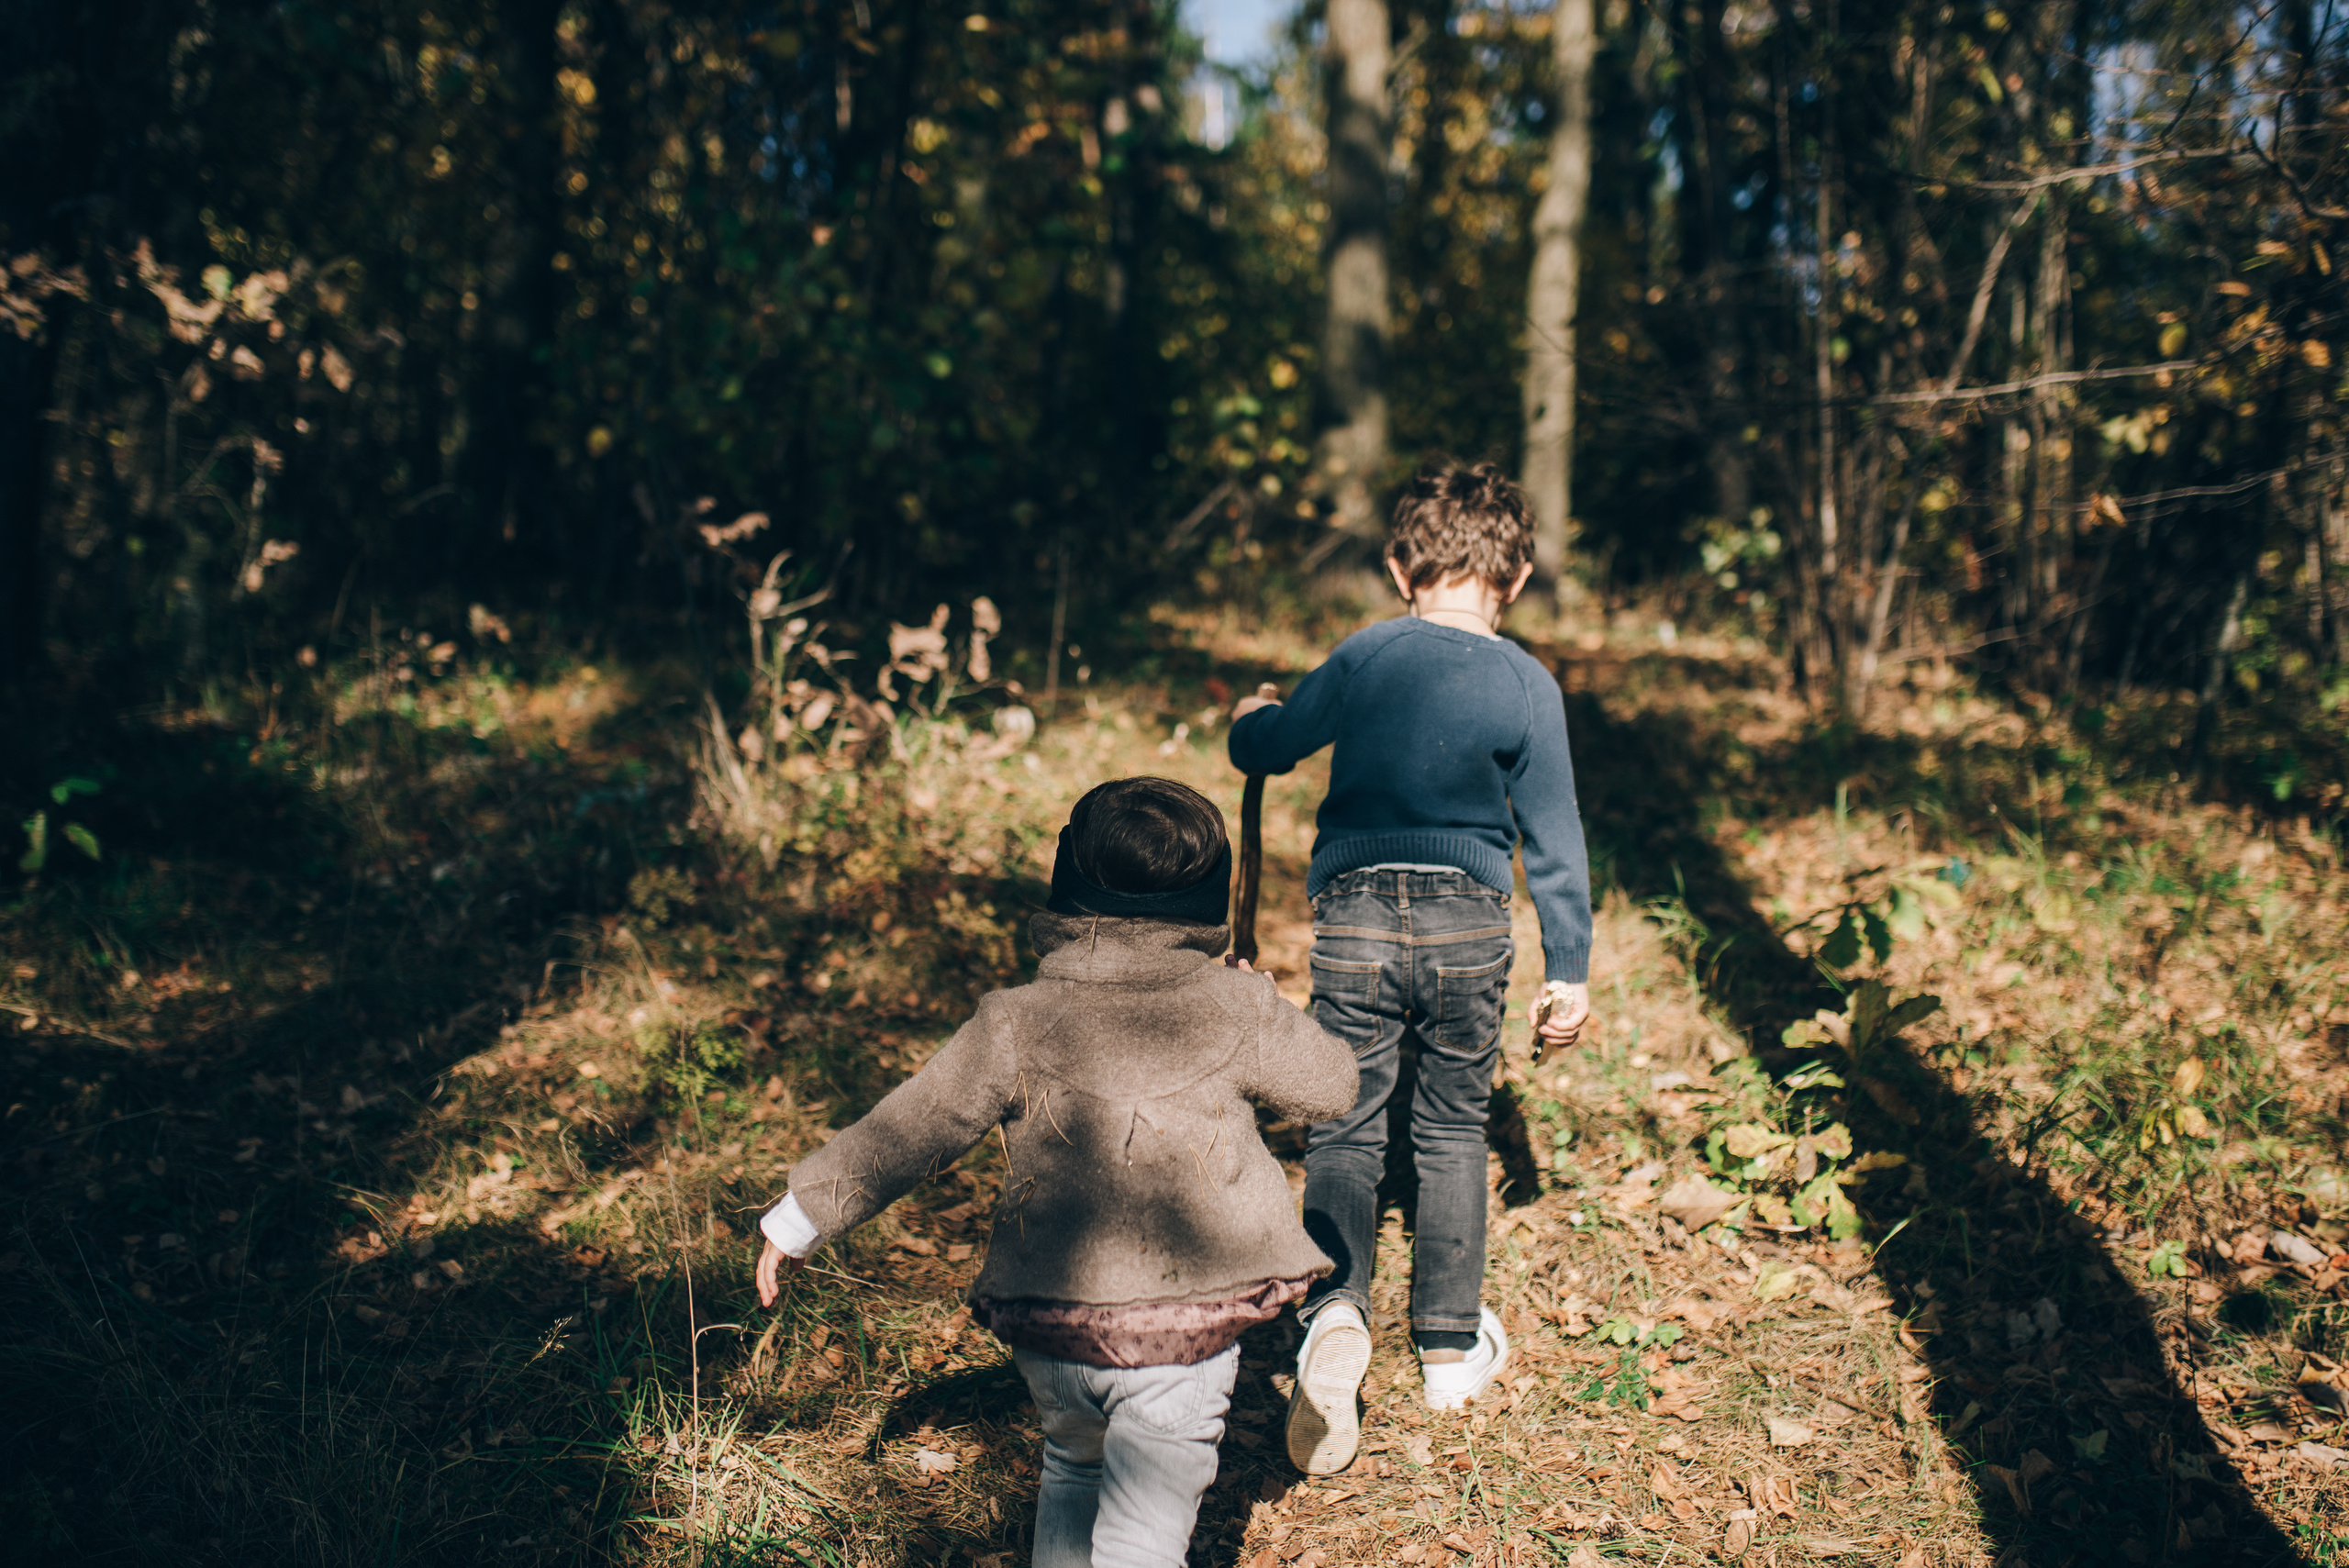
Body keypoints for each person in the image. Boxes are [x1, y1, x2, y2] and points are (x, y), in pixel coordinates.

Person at [752, 776, 1359, 1568]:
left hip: (1054, 1328)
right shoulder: (1234, 1006)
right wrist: (1266, 999)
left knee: (1074, 1469)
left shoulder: (1015, 1018)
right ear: (1209, 891)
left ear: (1068, 879)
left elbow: (913, 1124)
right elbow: (1333, 1086)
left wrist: (802, 1214)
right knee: (1142, 1539)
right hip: (1182, 1333)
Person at [1226, 462, 1594, 1475]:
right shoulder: (1528, 681)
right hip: (1471, 918)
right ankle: (1444, 1345)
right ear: (1512, 581)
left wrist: (1249, 718)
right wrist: (1572, 969)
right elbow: (1556, 836)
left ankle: (1335, 1313)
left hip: (1354, 916)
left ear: (1399, 566)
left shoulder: (1366, 654)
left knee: (1344, 1120)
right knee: (1450, 1125)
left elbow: (1273, 746)